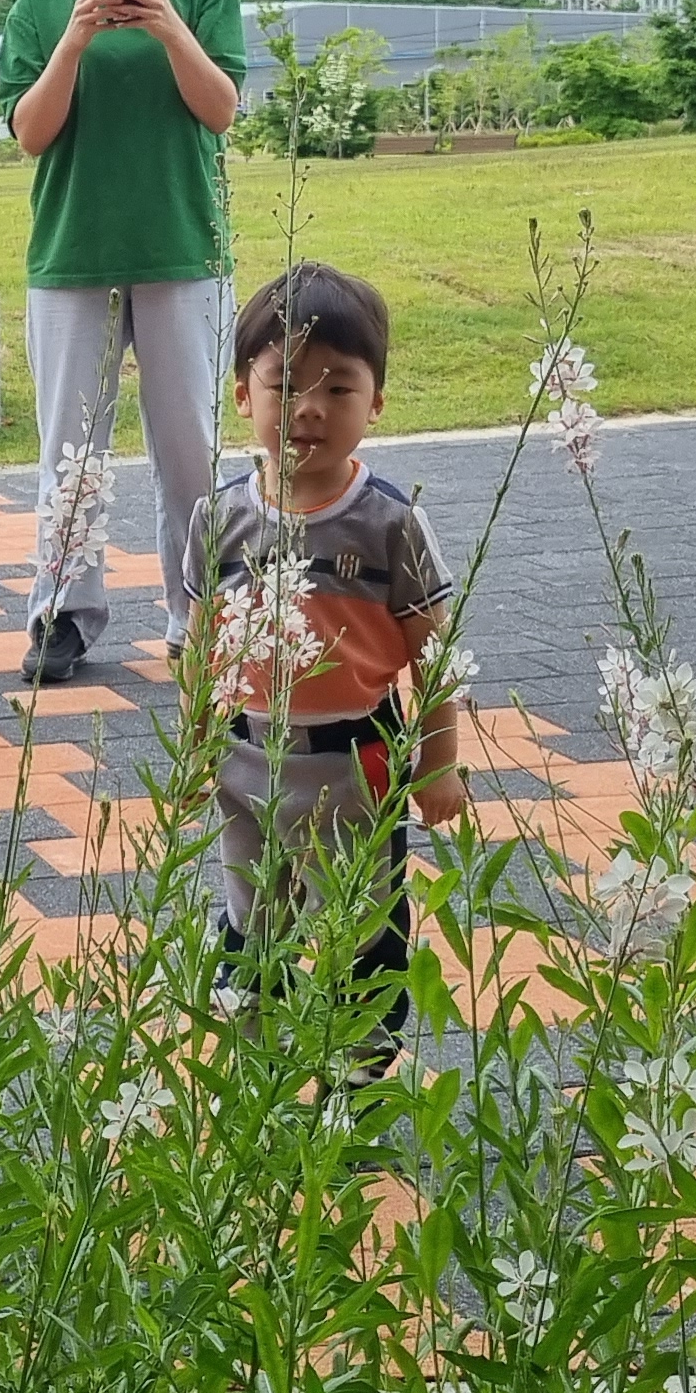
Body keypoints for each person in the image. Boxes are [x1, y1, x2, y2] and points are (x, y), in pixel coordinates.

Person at [181, 266, 464, 1079]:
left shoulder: (391, 524)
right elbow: (201, 645)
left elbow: (435, 653)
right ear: (243, 394)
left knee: (362, 923)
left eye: (339, 388)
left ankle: (359, 1076)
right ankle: (255, 1071)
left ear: (375, 404)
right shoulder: (220, 516)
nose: (309, 407)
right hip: (245, 756)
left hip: (356, 764)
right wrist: (194, 746)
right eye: (287, 383)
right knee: (251, 915)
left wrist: (440, 759)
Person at [0, 0, 249, 685]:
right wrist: (74, 38)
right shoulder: (38, 9)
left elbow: (219, 110)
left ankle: (204, 612)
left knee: (192, 445)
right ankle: (62, 612)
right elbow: (32, 133)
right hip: (74, 254)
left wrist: (168, 27)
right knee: (71, 448)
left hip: (184, 246)